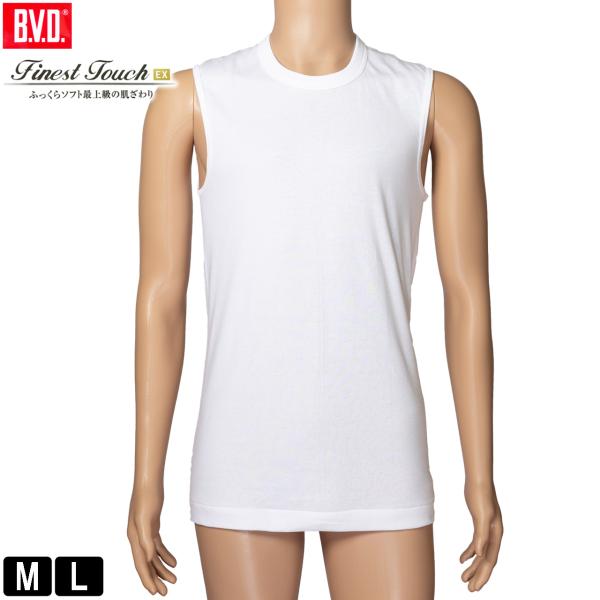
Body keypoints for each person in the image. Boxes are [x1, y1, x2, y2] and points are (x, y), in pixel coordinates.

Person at [127, 1, 503, 597]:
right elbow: (161, 298)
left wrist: (479, 477)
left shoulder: (433, 100)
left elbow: (467, 297)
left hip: (381, 457)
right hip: (244, 453)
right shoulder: (190, 98)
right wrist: (146, 479)